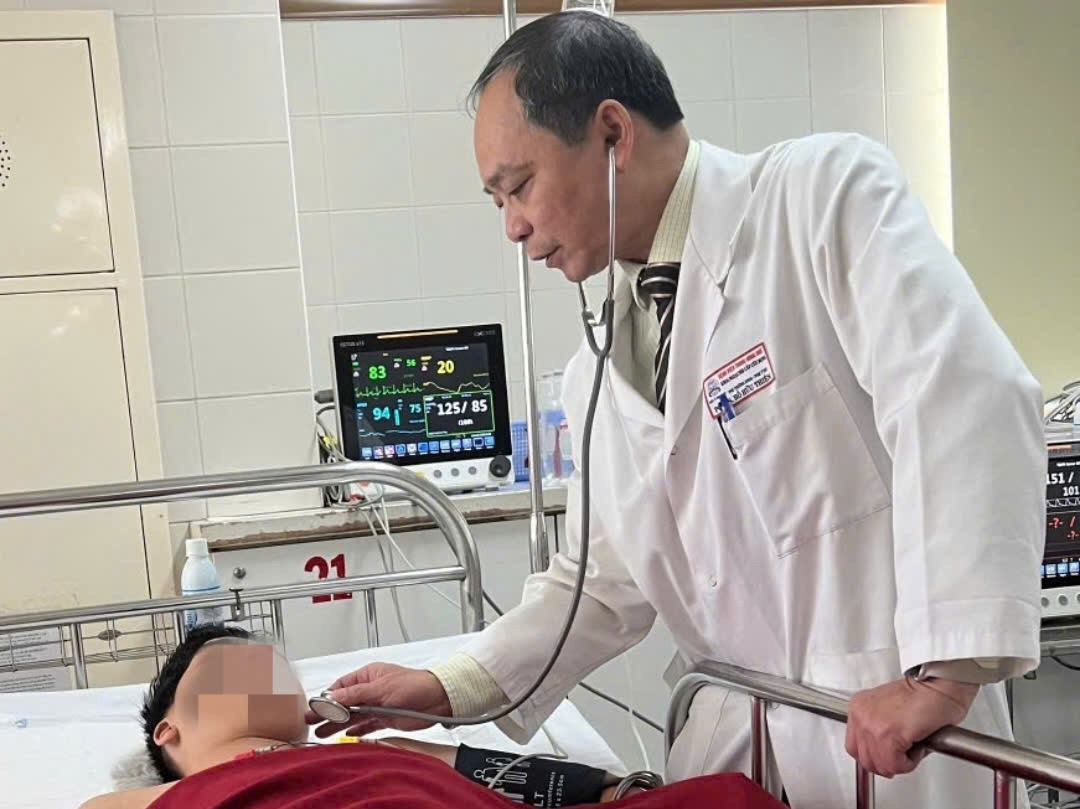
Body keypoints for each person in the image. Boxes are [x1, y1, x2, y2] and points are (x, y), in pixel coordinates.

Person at [306, 12, 1046, 808]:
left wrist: (945, 673)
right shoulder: (597, 369)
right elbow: (598, 583)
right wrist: (449, 685)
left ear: (612, 134)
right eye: (498, 202)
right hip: (733, 747)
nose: (515, 226)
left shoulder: (819, 201)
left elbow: (962, 393)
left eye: (518, 187)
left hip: (893, 746)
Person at [79, 625, 784, 809]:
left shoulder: (387, 752)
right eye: (228, 664)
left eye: (271, 661)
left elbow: (521, 780)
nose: (260, 665)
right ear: (168, 731)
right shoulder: (142, 799)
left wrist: (618, 790)